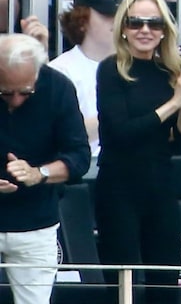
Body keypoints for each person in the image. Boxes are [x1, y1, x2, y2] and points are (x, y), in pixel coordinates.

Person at [94, 0, 181, 304]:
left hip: (160, 184)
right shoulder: (112, 69)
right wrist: (175, 101)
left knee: (165, 279)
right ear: (123, 28)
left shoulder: (171, 71)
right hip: (119, 186)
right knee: (121, 281)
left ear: (165, 30)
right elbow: (122, 132)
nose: (145, 30)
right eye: (135, 22)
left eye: (154, 24)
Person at [0, 33, 91, 304]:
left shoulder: (58, 87)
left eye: (25, 91)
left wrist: (39, 174)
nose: (16, 100)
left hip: (36, 222)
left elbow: (79, 156)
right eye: (5, 91)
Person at [49, 0, 124, 156]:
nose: (116, 21)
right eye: (107, 15)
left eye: (121, 14)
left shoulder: (140, 67)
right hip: (80, 172)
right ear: (81, 20)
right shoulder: (60, 71)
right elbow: (60, 134)